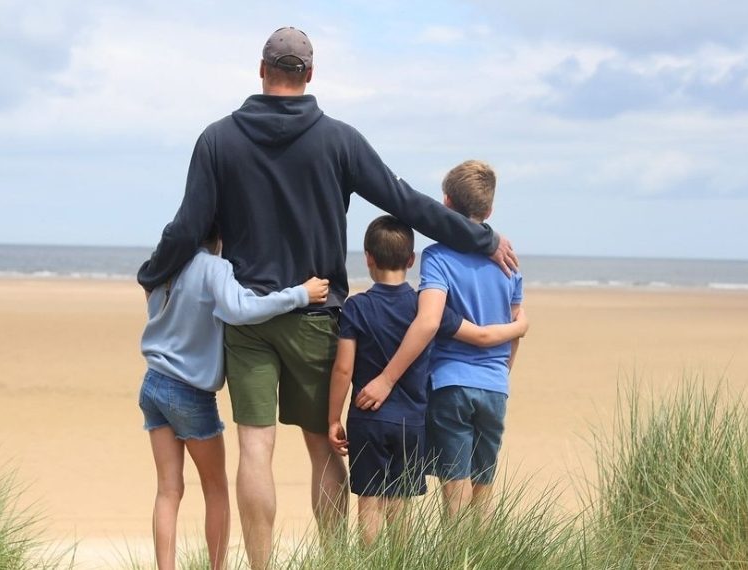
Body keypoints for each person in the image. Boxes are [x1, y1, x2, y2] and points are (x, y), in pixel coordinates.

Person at [137, 27, 519, 569]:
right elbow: (407, 203)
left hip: (248, 320)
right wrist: (482, 236)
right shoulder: (338, 139)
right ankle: (338, 560)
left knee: (255, 447)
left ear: (261, 69)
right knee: (322, 446)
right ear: (310, 75)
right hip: (318, 317)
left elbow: (187, 227)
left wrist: (153, 274)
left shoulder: (218, 139)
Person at [327, 215, 528, 545]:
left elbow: (343, 370)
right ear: (411, 260)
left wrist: (334, 417)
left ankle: (369, 564)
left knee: (370, 501)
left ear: (368, 258)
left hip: (367, 418)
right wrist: (518, 328)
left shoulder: (356, 307)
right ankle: (400, 562)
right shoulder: (425, 309)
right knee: (401, 503)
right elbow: (477, 334)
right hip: (413, 421)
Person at [138, 223, 329, 570]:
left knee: (168, 490)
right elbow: (241, 309)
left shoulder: (164, 267)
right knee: (216, 488)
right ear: (220, 236)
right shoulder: (214, 268)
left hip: (153, 383)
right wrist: (299, 294)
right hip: (189, 392)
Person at [355, 160, 523, 519]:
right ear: (489, 209)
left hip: (450, 384)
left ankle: (453, 556)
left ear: (444, 205)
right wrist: (501, 374)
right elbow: (515, 329)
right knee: (484, 487)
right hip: (495, 386)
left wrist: (386, 379)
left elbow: (429, 321)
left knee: (455, 488)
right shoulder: (508, 262)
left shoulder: (437, 257)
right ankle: (481, 557)